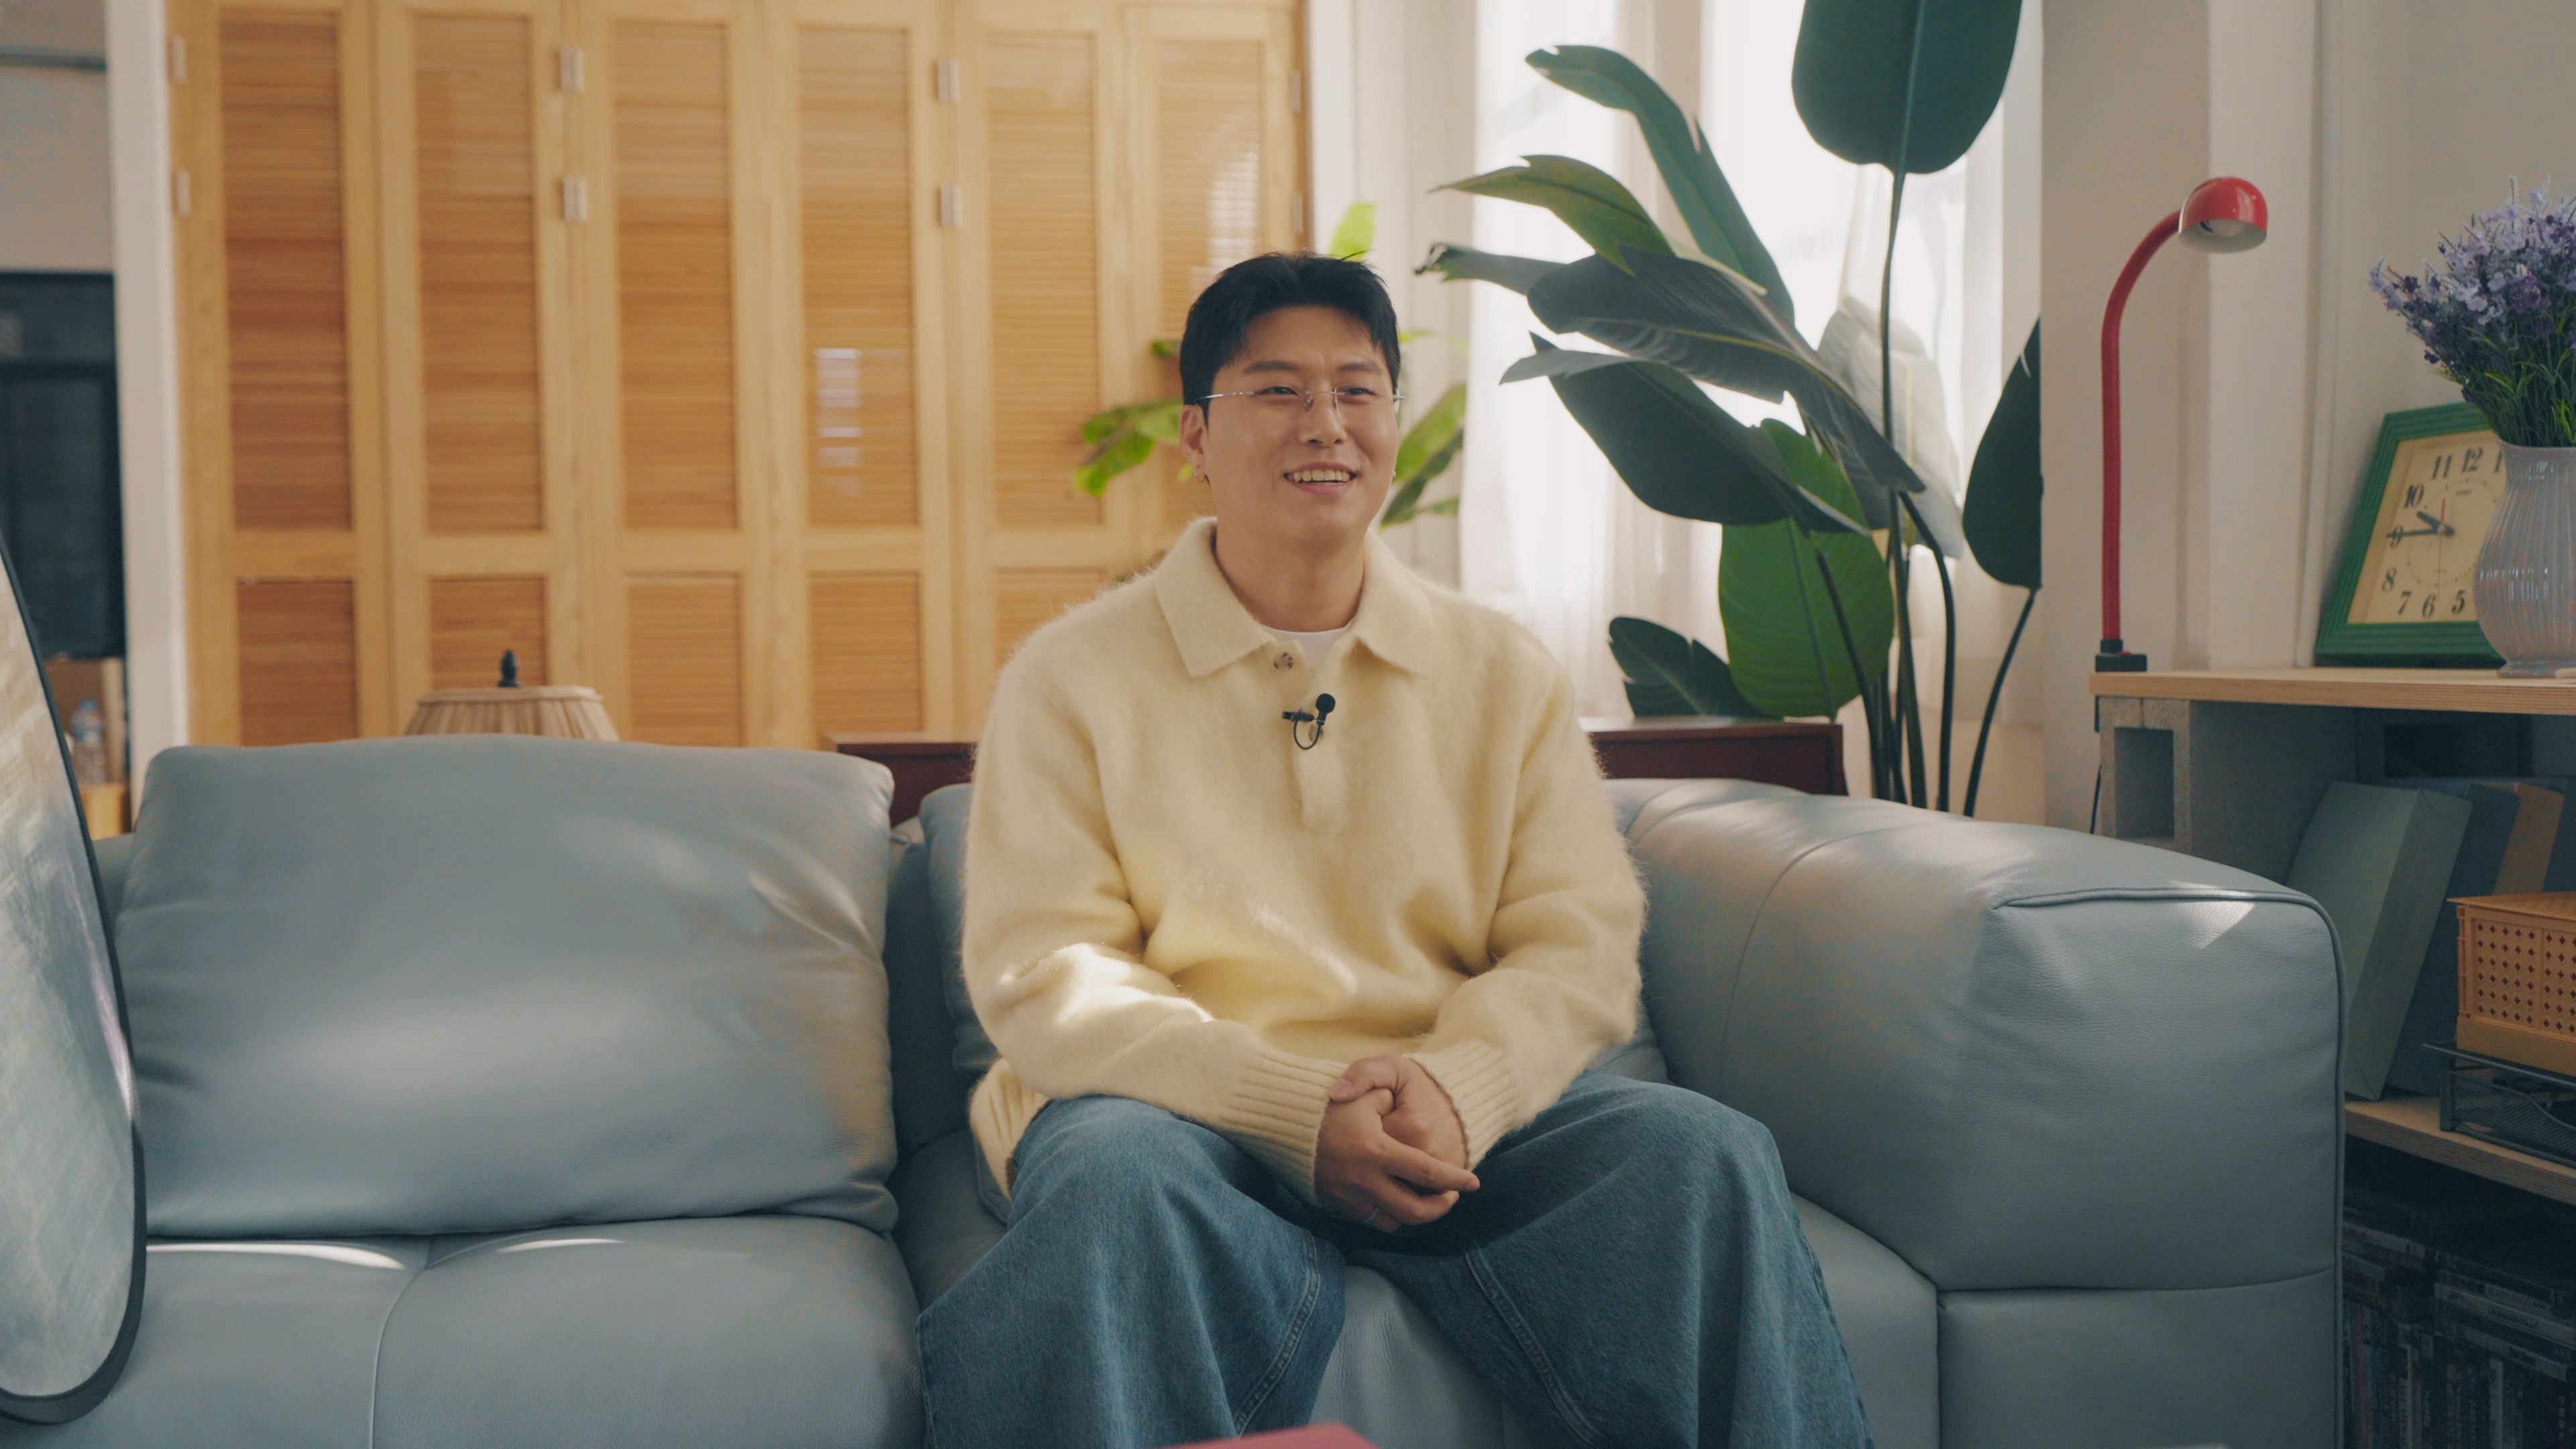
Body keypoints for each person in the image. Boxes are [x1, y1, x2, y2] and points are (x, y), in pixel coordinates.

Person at [917, 252, 1873, 1449]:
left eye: (1357, 390)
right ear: (1196, 435)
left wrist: (1460, 1092)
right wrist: (1291, 1109)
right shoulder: (1071, 678)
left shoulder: (1500, 671)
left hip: (1450, 1127)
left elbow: (1578, 944)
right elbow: (1050, 977)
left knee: (1705, 1154)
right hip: (1176, 1123)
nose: (1325, 424)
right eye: (1278, 390)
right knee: (1111, 1184)